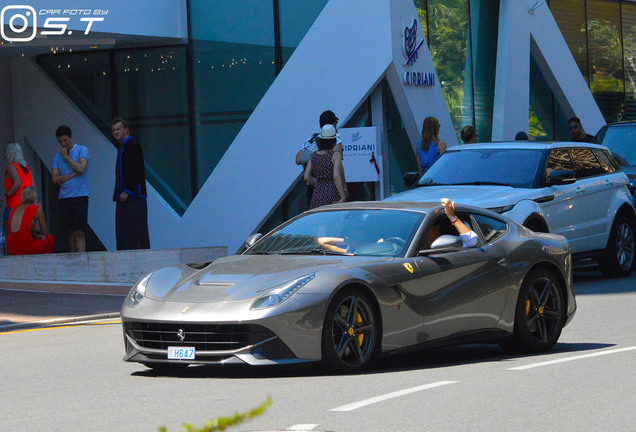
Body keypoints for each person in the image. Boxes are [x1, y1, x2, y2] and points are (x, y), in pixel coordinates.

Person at [111, 117, 150, 250]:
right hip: (122, 197)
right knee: (123, 231)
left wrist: (127, 191)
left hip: (134, 196)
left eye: (118, 129)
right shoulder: (121, 148)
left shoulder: (133, 147)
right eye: (114, 130)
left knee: (136, 230)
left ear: (126, 130)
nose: (116, 132)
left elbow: (137, 170)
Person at [296, 110, 347, 207]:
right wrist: (344, 189)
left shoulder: (312, 140)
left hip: (314, 190)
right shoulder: (337, 142)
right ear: (333, 124)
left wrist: (318, 185)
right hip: (332, 189)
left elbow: (298, 160)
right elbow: (338, 172)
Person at [52, 125, 90, 252]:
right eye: (60, 141)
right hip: (64, 197)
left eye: (65, 140)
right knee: (70, 231)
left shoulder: (82, 150)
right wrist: (71, 175)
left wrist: (67, 157)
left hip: (80, 196)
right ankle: (73, 259)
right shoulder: (57, 157)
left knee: (79, 231)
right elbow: (55, 179)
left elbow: (81, 168)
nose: (63, 144)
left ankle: (81, 259)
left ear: (70, 138)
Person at [6, 186, 54, 255]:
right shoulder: (36, 208)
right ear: (34, 197)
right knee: (50, 239)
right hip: (26, 246)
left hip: (11, 247)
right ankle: (45, 263)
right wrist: (36, 233)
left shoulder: (14, 208)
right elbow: (45, 232)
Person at [2, 142, 32, 235]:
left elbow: (17, 182)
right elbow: (32, 185)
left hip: (14, 204)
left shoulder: (11, 166)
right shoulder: (26, 167)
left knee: (9, 234)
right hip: (27, 203)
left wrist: (6, 196)